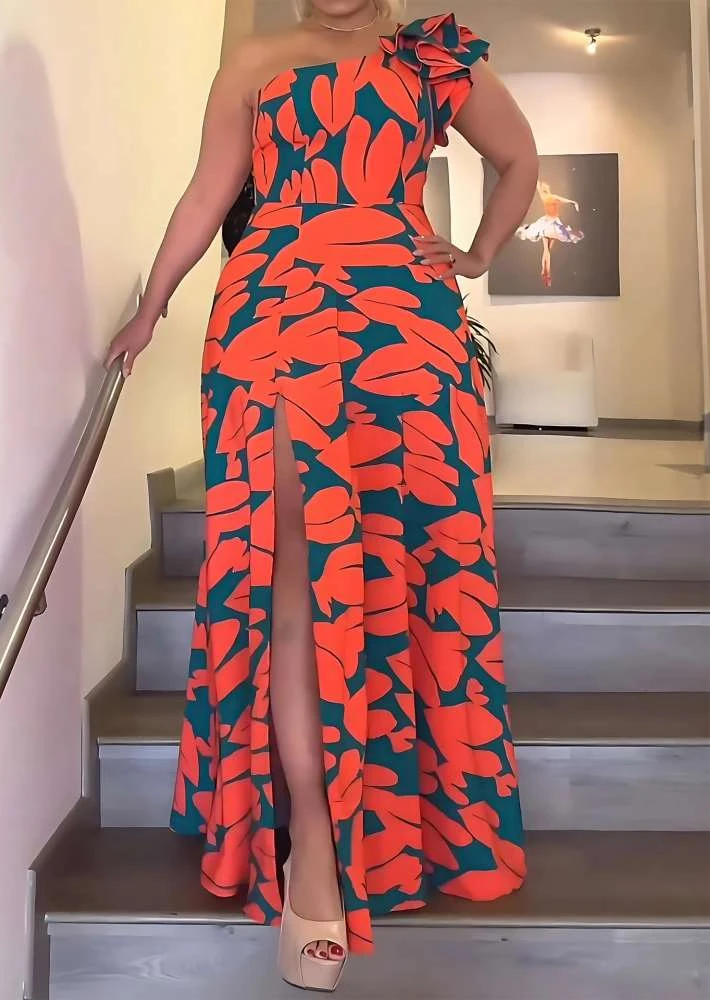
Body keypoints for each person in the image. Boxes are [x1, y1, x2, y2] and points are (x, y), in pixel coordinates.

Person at [106, 1, 538, 992]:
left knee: (406, 566)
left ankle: (401, 818)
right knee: (295, 568)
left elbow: (520, 160)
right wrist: (153, 305)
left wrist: (477, 253)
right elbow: (210, 193)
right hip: (273, 312)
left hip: (407, 325)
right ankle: (314, 835)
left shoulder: (431, 57)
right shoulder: (257, 59)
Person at [515, 179, 584, 288]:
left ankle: (545, 272)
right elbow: (565, 200)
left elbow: (538, 185)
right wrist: (574, 203)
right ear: (547, 188)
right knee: (547, 251)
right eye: (545, 186)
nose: (545, 187)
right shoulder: (552, 197)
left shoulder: (544, 196)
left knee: (546, 251)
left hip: (546, 224)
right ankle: (546, 274)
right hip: (552, 225)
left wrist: (535, 179)